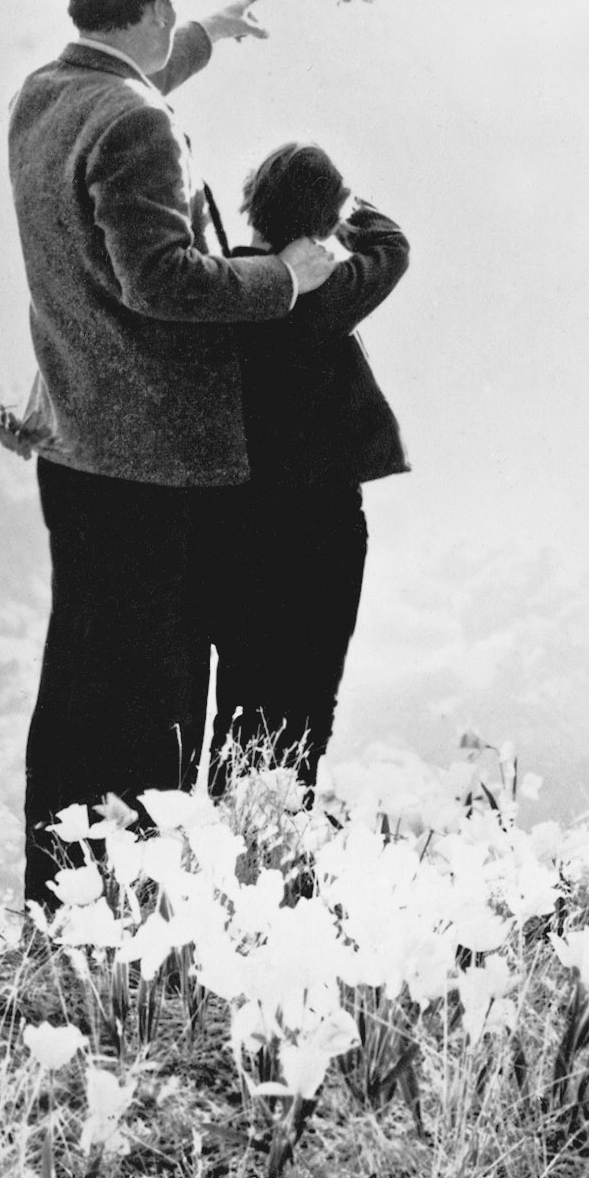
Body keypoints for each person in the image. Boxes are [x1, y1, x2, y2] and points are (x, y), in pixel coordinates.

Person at [7, 0, 342, 895]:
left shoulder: (42, 96)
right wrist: (281, 275)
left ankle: (57, 897)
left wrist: (206, 35)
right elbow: (161, 279)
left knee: (78, 685)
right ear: (147, 9)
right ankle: (130, 913)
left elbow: (125, 102)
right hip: (153, 460)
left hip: (77, 443)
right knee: (150, 701)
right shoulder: (135, 123)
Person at [205, 141, 409, 786]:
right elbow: (391, 245)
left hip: (234, 520)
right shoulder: (325, 297)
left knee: (237, 697)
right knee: (306, 700)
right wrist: (347, 214)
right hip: (321, 523)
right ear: (321, 216)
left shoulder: (225, 283)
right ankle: (280, 851)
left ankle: (215, 841)